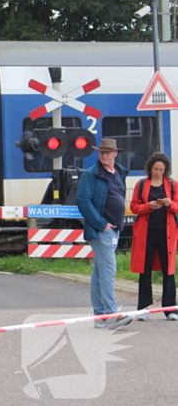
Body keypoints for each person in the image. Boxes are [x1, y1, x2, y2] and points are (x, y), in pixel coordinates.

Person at [76, 138, 132, 330]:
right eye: (101, 152)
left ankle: (100, 316)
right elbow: (83, 201)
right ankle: (112, 313)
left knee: (99, 273)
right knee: (108, 271)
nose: (104, 155)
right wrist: (101, 224)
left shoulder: (120, 173)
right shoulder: (91, 175)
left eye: (108, 152)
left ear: (116, 153)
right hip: (101, 230)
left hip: (114, 229)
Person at [129, 152, 178, 321]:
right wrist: (148, 206)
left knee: (169, 270)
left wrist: (169, 204)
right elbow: (134, 207)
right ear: (150, 169)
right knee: (145, 269)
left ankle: (170, 309)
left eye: (161, 169)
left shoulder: (172, 185)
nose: (158, 172)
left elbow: (177, 207)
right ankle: (143, 308)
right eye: (155, 169)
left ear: (166, 170)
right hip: (146, 232)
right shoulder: (141, 185)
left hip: (167, 234)